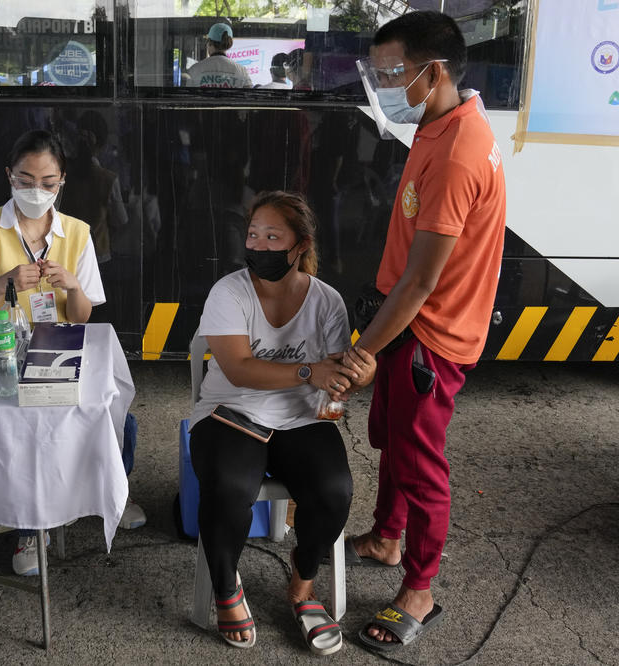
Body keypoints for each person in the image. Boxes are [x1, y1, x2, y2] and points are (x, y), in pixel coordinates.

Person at [343, 10, 507, 652]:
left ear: (431, 72)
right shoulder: (440, 124)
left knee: (421, 462)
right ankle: (387, 538)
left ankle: (420, 587)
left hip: (430, 335)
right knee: (392, 440)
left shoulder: (460, 152)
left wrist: (361, 353)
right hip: (408, 323)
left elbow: (420, 282)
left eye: (390, 74)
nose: (382, 86)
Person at [0, 129, 146, 576]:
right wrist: (2, 285)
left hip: (60, 347)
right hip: (2, 351)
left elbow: (80, 319)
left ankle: (111, 491)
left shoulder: (77, 233)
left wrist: (72, 285)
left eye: (47, 182)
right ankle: (28, 529)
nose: (35, 191)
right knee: (28, 425)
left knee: (116, 414)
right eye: (25, 179)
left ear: (62, 182)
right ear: (8, 176)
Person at [188, 191, 375, 653]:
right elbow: (238, 368)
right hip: (230, 413)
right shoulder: (228, 292)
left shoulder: (326, 300)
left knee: (334, 490)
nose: (260, 246)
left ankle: (302, 583)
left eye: (274, 236)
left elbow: (337, 369)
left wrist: (357, 375)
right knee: (231, 486)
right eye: (253, 234)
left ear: (300, 245)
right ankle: (226, 585)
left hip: (301, 418)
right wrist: (310, 371)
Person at [184, 23, 252, 89]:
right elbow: (249, 95)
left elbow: (187, 97)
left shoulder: (195, 69)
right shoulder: (241, 71)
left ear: (209, 43)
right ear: (229, 44)